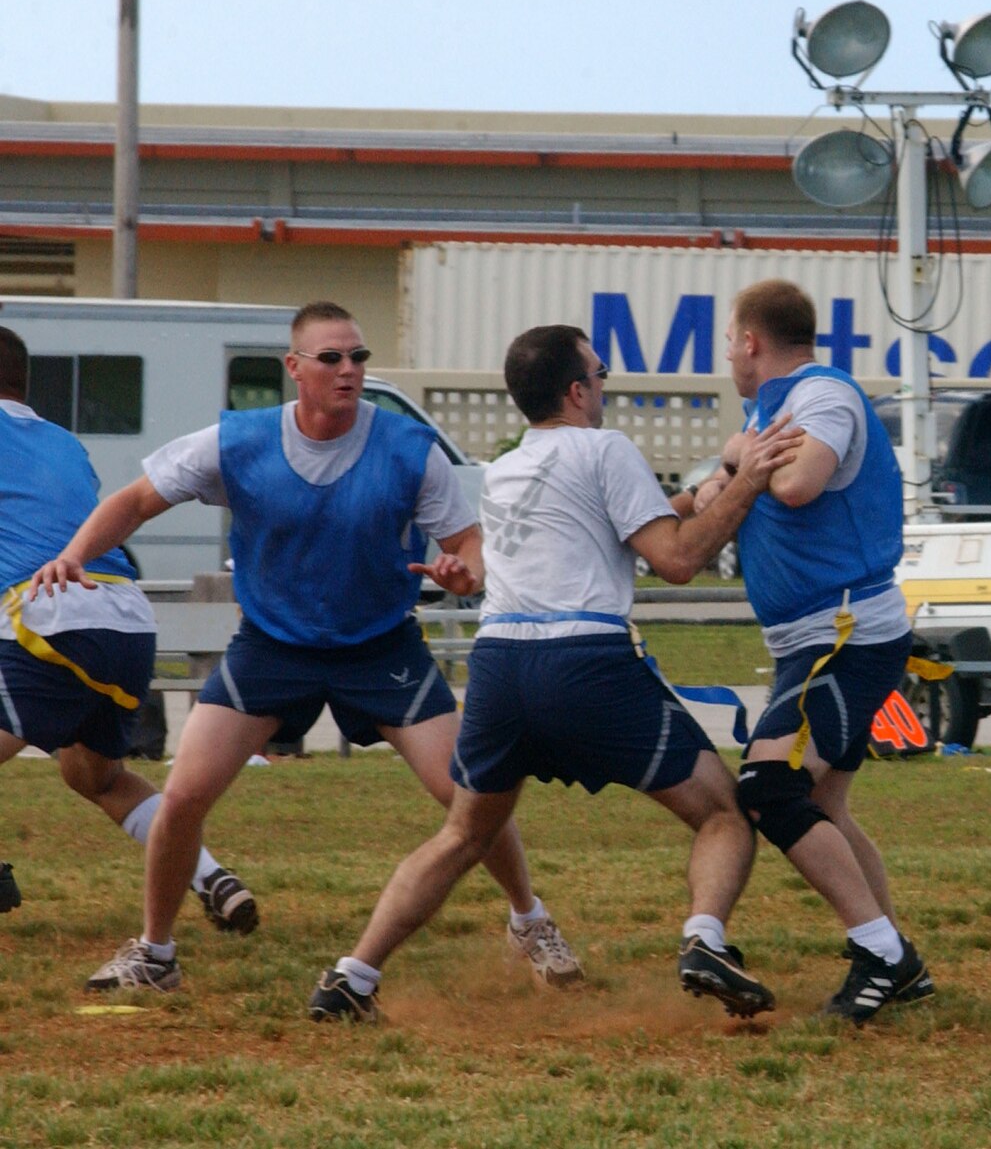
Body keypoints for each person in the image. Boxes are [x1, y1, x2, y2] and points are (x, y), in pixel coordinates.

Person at [33, 303, 577, 993]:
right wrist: (74, 554)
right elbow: (137, 501)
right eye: (332, 358)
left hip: (380, 647)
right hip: (272, 646)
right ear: (294, 369)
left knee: (472, 795)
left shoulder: (409, 448)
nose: (350, 369)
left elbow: (466, 544)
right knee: (184, 797)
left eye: (358, 357)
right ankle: (156, 953)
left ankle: (529, 920)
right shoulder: (237, 441)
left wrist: (466, 569)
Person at [306, 325, 802, 1022]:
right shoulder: (606, 448)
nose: (604, 385)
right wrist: (749, 480)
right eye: (600, 374)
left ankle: (351, 976)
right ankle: (704, 939)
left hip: (501, 665)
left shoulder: (511, 465)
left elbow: (619, 523)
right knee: (723, 811)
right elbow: (677, 557)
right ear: (577, 390)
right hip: (585, 664)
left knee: (463, 835)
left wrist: (712, 487)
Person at [699, 279, 932, 1023]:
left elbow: (798, 484)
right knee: (825, 802)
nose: (727, 357)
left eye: (729, 343)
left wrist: (741, 458)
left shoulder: (822, 393)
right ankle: (896, 953)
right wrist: (733, 458)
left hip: (845, 633)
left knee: (770, 788)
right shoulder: (767, 412)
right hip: (819, 639)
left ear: (749, 342)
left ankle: (884, 954)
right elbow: (740, 477)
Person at [0, 326, 254, 942]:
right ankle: (210, 876)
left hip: (47, 617)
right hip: (126, 621)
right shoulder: (64, 443)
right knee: (95, 775)